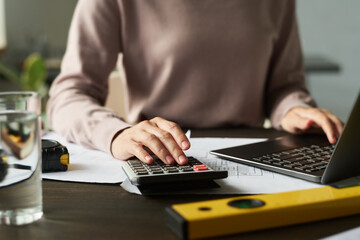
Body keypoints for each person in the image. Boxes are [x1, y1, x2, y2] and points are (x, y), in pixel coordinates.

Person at [47, 0, 343, 166]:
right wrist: (117, 133)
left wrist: (293, 109)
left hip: (251, 158)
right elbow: (69, 95)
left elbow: (285, 87)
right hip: (160, 158)